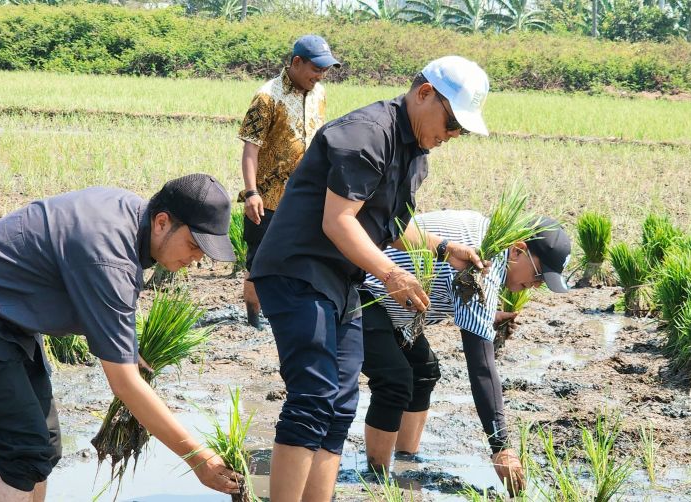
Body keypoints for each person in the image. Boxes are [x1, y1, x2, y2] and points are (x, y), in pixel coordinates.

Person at [248, 56, 491, 502]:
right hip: (298, 273)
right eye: (452, 122)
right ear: (423, 95)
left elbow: (392, 223)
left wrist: (444, 248)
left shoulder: (415, 153)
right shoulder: (366, 134)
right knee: (313, 396)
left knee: (340, 405)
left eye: (460, 130)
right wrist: (391, 273)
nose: (452, 135)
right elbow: (338, 222)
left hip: (342, 283)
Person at [0, 174, 241, 502]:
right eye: (194, 244)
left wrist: (124, 346)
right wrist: (198, 458)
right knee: (24, 452)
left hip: (9, 322)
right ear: (162, 222)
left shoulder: (127, 219)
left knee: (46, 446)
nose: (197, 258)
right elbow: (124, 384)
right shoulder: (110, 254)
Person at [359, 210, 572, 496]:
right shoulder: (481, 266)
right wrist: (501, 448)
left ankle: (405, 463)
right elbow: (481, 366)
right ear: (518, 250)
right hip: (358, 291)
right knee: (395, 380)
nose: (536, 286)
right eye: (539, 276)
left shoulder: (487, 237)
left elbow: (447, 290)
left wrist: (488, 317)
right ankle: (376, 478)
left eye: (543, 284)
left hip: (391, 309)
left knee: (424, 372)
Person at [237, 34, 340, 329]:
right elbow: (250, 149)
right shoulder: (267, 97)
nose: (320, 76)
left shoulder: (319, 93)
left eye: (325, 70)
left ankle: (287, 313)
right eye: (316, 69)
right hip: (268, 199)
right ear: (297, 62)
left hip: (307, 197)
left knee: (302, 259)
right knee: (259, 262)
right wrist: (251, 192)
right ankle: (253, 320)